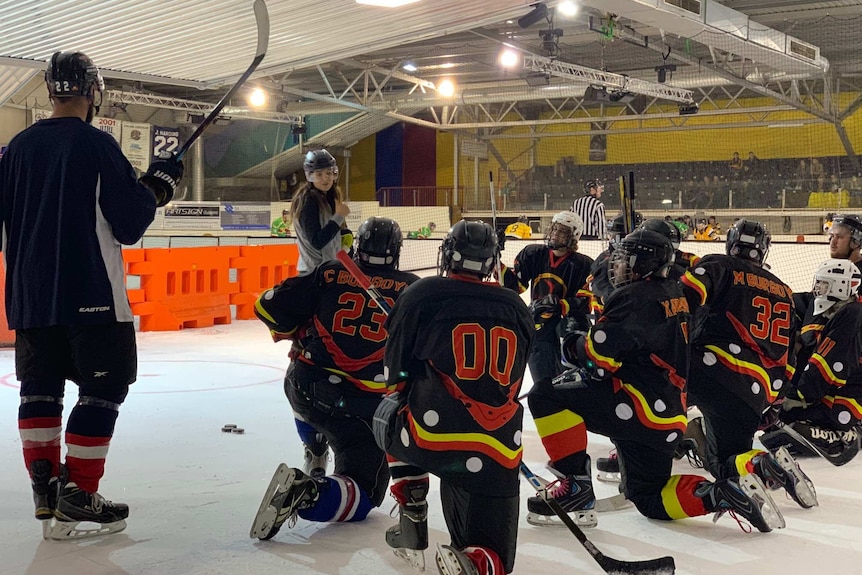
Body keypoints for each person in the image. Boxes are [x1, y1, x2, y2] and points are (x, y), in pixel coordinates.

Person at [0, 51, 182, 539]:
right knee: (102, 389)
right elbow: (129, 222)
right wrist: (159, 187)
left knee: (40, 389)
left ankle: (46, 491)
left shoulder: (15, 148)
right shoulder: (98, 146)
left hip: (30, 295)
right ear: (92, 92)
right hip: (92, 292)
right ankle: (78, 492)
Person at [526, 229, 785, 533]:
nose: (617, 266)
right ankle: (720, 493)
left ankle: (575, 488)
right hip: (669, 418)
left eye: (624, 260)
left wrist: (572, 341)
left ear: (642, 264)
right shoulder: (674, 293)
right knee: (648, 495)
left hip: (637, 407)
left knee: (544, 394)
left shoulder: (635, 296)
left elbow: (598, 362)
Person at [376, 220, 534, 575]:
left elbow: (397, 371)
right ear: (493, 261)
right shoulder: (517, 306)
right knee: (493, 560)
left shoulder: (422, 293)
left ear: (449, 256)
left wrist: (399, 392)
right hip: (500, 446)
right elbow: (518, 375)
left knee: (387, 415)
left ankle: (412, 507)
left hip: (432, 437)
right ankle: (475, 559)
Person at [249, 217, 419, 541]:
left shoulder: (329, 271)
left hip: (305, 386)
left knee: (304, 379)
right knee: (364, 491)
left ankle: (313, 444)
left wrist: (297, 333)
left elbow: (266, 306)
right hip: (360, 410)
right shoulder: (412, 290)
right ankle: (308, 492)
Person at [680, 219, 818, 513]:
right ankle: (763, 463)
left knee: (653, 397)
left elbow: (682, 303)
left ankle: (637, 451)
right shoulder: (784, 291)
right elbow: (790, 357)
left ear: (731, 243)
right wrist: (775, 400)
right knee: (729, 461)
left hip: (709, 369)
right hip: (757, 390)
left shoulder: (718, 264)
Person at [288, 148, 352, 476]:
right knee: (312, 345)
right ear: (310, 175)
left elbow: (336, 238)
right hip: (313, 280)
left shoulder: (328, 199)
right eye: (320, 173)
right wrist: (340, 217)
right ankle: (313, 444)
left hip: (330, 276)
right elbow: (316, 239)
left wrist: (346, 235)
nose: (326, 178)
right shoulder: (310, 202)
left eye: (330, 172)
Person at [761, 259, 862, 464]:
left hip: (850, 395)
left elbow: (830, 361)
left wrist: (799, 395)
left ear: (840, 286)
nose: (817, 289)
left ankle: (844, 434)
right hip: (834, 389)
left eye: (823, 284)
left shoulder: (853, 313)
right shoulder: (828, 311)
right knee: (778, 423)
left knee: (790, 422)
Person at [502, 211, 593, 386]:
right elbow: (516, 286)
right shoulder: (533, 253)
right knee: (543, 383)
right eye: (554, 229)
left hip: (568, 331)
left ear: (573, 237)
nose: (554, 234)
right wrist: (495, 262)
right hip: (539, 328)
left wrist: (560, 305)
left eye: (562, 232)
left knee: (568, 385)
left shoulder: (584, 265)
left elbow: (586, 301)